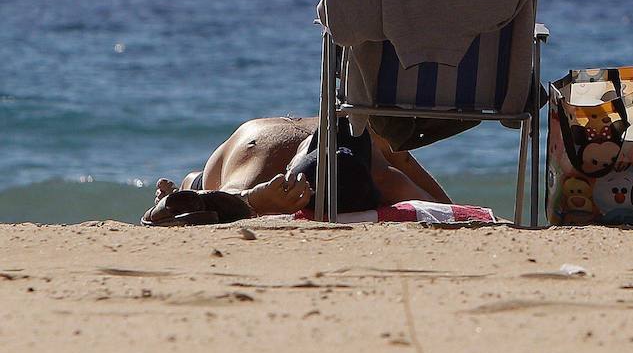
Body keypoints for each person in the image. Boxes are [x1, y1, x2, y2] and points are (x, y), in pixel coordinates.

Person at [142, 115, 451, 224]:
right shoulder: (386, 178)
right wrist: (252, 200)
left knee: (203, 186)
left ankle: (187, 185)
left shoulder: (368, 136)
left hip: (259, 138)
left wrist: (253, 200)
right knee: (216, 190)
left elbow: (221, 201)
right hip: (258, 143)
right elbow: (444, 208)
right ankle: (188, 185)